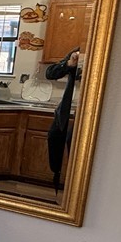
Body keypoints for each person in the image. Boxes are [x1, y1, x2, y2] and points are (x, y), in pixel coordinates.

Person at [45, 47, 81, 193]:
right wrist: (69, 65)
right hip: (65, 111)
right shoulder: (76, 52)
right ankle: (57, 181)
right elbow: (50, 73)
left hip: (84, 112)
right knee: (54, 138)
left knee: (74, 146)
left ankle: (74, 190)